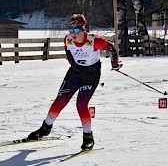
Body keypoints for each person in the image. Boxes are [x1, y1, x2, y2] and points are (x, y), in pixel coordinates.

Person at [27, 13, 122, 150]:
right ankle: (45, 128)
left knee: (81, 104)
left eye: (76, 30)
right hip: (75, 73)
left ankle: (88, 137)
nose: (73, 34)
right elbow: (68, 51)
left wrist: (114, 64)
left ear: (83, 29)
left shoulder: (95, 40)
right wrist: (72, 62)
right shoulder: (68, 40)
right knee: (60, 100)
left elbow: (111, 48)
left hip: (91, 75)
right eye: (70, 30)